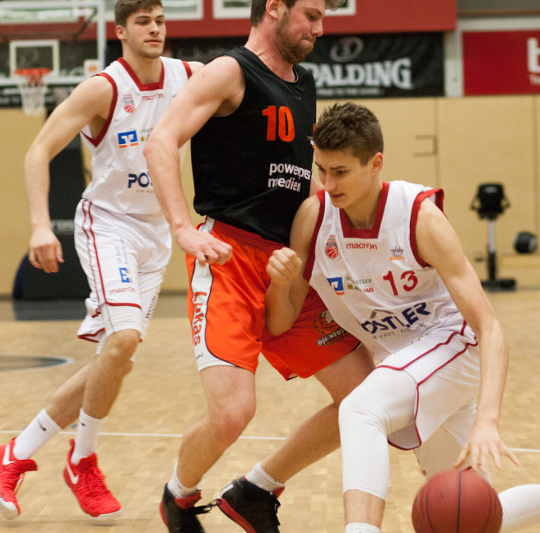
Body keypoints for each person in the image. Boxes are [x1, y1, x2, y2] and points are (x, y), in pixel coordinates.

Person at [264, 102, 540, 533]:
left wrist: (488, 422)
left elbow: (490, 328)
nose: (328, 184)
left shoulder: (419, 218)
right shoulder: (313, 219)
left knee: (360, 409)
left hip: (452, 346)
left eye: (341, 172)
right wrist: (280, 284)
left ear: (376, 164)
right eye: (322, 170)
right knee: (474, 519)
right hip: (405, 363)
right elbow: (280, 322)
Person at [143, 1, 376, 531]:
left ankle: (255, 490)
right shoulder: (229, 72)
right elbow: (160, 143)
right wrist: (182, 228)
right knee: (231, 414)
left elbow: (303, 181)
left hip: (288, 262)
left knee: (365, 399)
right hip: (227, 256)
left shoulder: (304, 82)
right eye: (311, 15)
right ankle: (177, 495)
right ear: (274, 7)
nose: (320, 28)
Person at [0, 0, 202, 521]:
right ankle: (82, 459)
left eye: (161, 20)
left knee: (115, 359)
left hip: (155, 233)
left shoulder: (188, 77)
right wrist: (39, 224)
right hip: (109, 225)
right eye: (144, 21)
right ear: (122, 31)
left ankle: (11, 456)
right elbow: (38, 151)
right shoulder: (104, 87)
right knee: (123, 342)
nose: (155, 29)